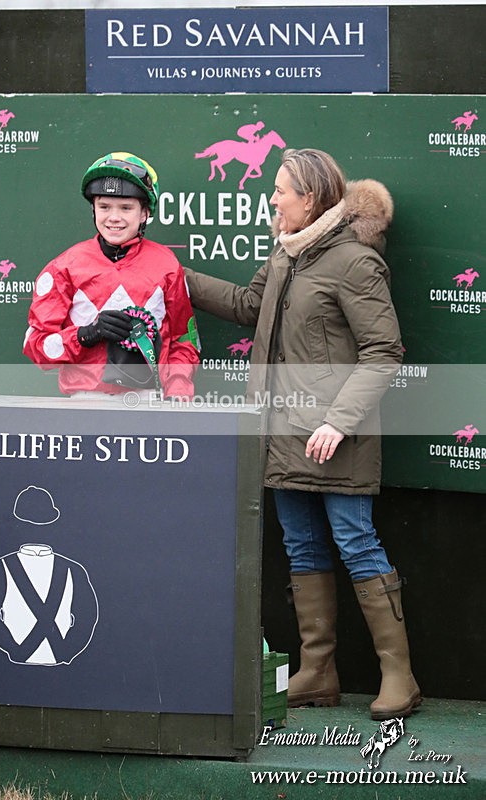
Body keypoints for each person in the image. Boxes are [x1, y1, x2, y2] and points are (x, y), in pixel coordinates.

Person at [185, 148, 420, 720]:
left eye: (281, 189)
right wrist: (174, 276)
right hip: (282, 431)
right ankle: (317, 672)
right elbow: (247, 305)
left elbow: (383, 351)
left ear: (310, 197)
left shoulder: (355, 262)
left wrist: (338, 422)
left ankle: (400, 676)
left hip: (336, 437)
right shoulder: (285, 256)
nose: (272, 198)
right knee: (302, 546)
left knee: (356, 544)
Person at [24, 151, 200, 398]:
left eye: (126, 207)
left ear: (144, 213)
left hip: (149, 402)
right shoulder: (65, 267)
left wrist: (178, 388)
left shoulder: (167, 265)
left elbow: (184, 340)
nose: (114, 217)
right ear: (93, 209)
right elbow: (36, 348)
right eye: (104, 206)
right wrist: (86, 335)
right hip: (86, 404)